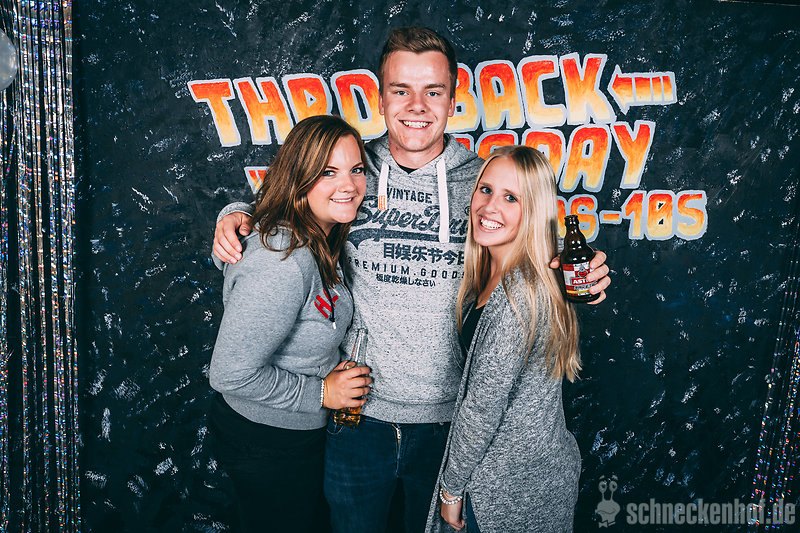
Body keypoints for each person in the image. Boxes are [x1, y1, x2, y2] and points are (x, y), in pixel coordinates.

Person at [211, 27, 610, 533]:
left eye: (433, 91)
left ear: (454, 98)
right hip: (358, 416)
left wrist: (581, 277)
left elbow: (535, 246)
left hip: (449, 422)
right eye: (401, 90)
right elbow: (290, 202)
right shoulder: (353, 168)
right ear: (380, 98)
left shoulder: (482, 181)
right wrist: (236, 215)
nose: (417, 106)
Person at [207, 114, 373, 533]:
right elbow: (229, 374)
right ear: (300, 178)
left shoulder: (317, 233)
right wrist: (322, 392)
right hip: (267, 441)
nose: (349, 185)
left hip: (289, 436)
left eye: (356, 169)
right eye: (328, 172)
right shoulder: (284, 260)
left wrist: (237, 211)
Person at [426, 146, 581, 533]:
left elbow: (481, 411)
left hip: (505, 492)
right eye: (486, 190)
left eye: (511, 197)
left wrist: (451, 492)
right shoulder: (496, 278)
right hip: (515, 477)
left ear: (534, 212)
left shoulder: (517, 297)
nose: (489, 206)